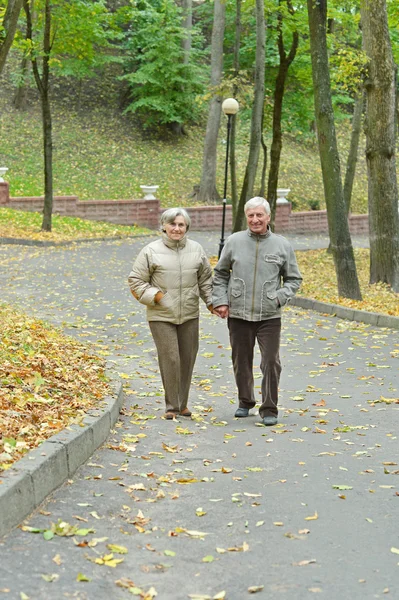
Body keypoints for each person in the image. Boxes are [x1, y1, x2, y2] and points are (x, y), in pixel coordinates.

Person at [212, 197, 302, 426]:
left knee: (271, 361)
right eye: (251, 215)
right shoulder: (234, 242)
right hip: (239, 313)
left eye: (259, 215)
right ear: (246, 217)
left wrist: (279, 297)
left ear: (268, 217)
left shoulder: (282, 245)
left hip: (269, 315)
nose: (255, 219)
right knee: (241, 360)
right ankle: (245, 402)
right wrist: (221, 301)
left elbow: (293, 279)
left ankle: (269, 408)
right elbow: (221, 274)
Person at [128, 208, 213, 420]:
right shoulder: (150, 251)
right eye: (172, 224)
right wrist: (157, 296)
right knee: (171, 358)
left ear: (187, 228)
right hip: (161, 315)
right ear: (164, 226)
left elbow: (205, 280)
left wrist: (212, 303)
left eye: (181, 225)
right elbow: (135, 280)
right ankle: (171, 406)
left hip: (190, 313)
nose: (176, 228)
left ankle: (183, 404)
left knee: (187, 358)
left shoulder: (196, 249)